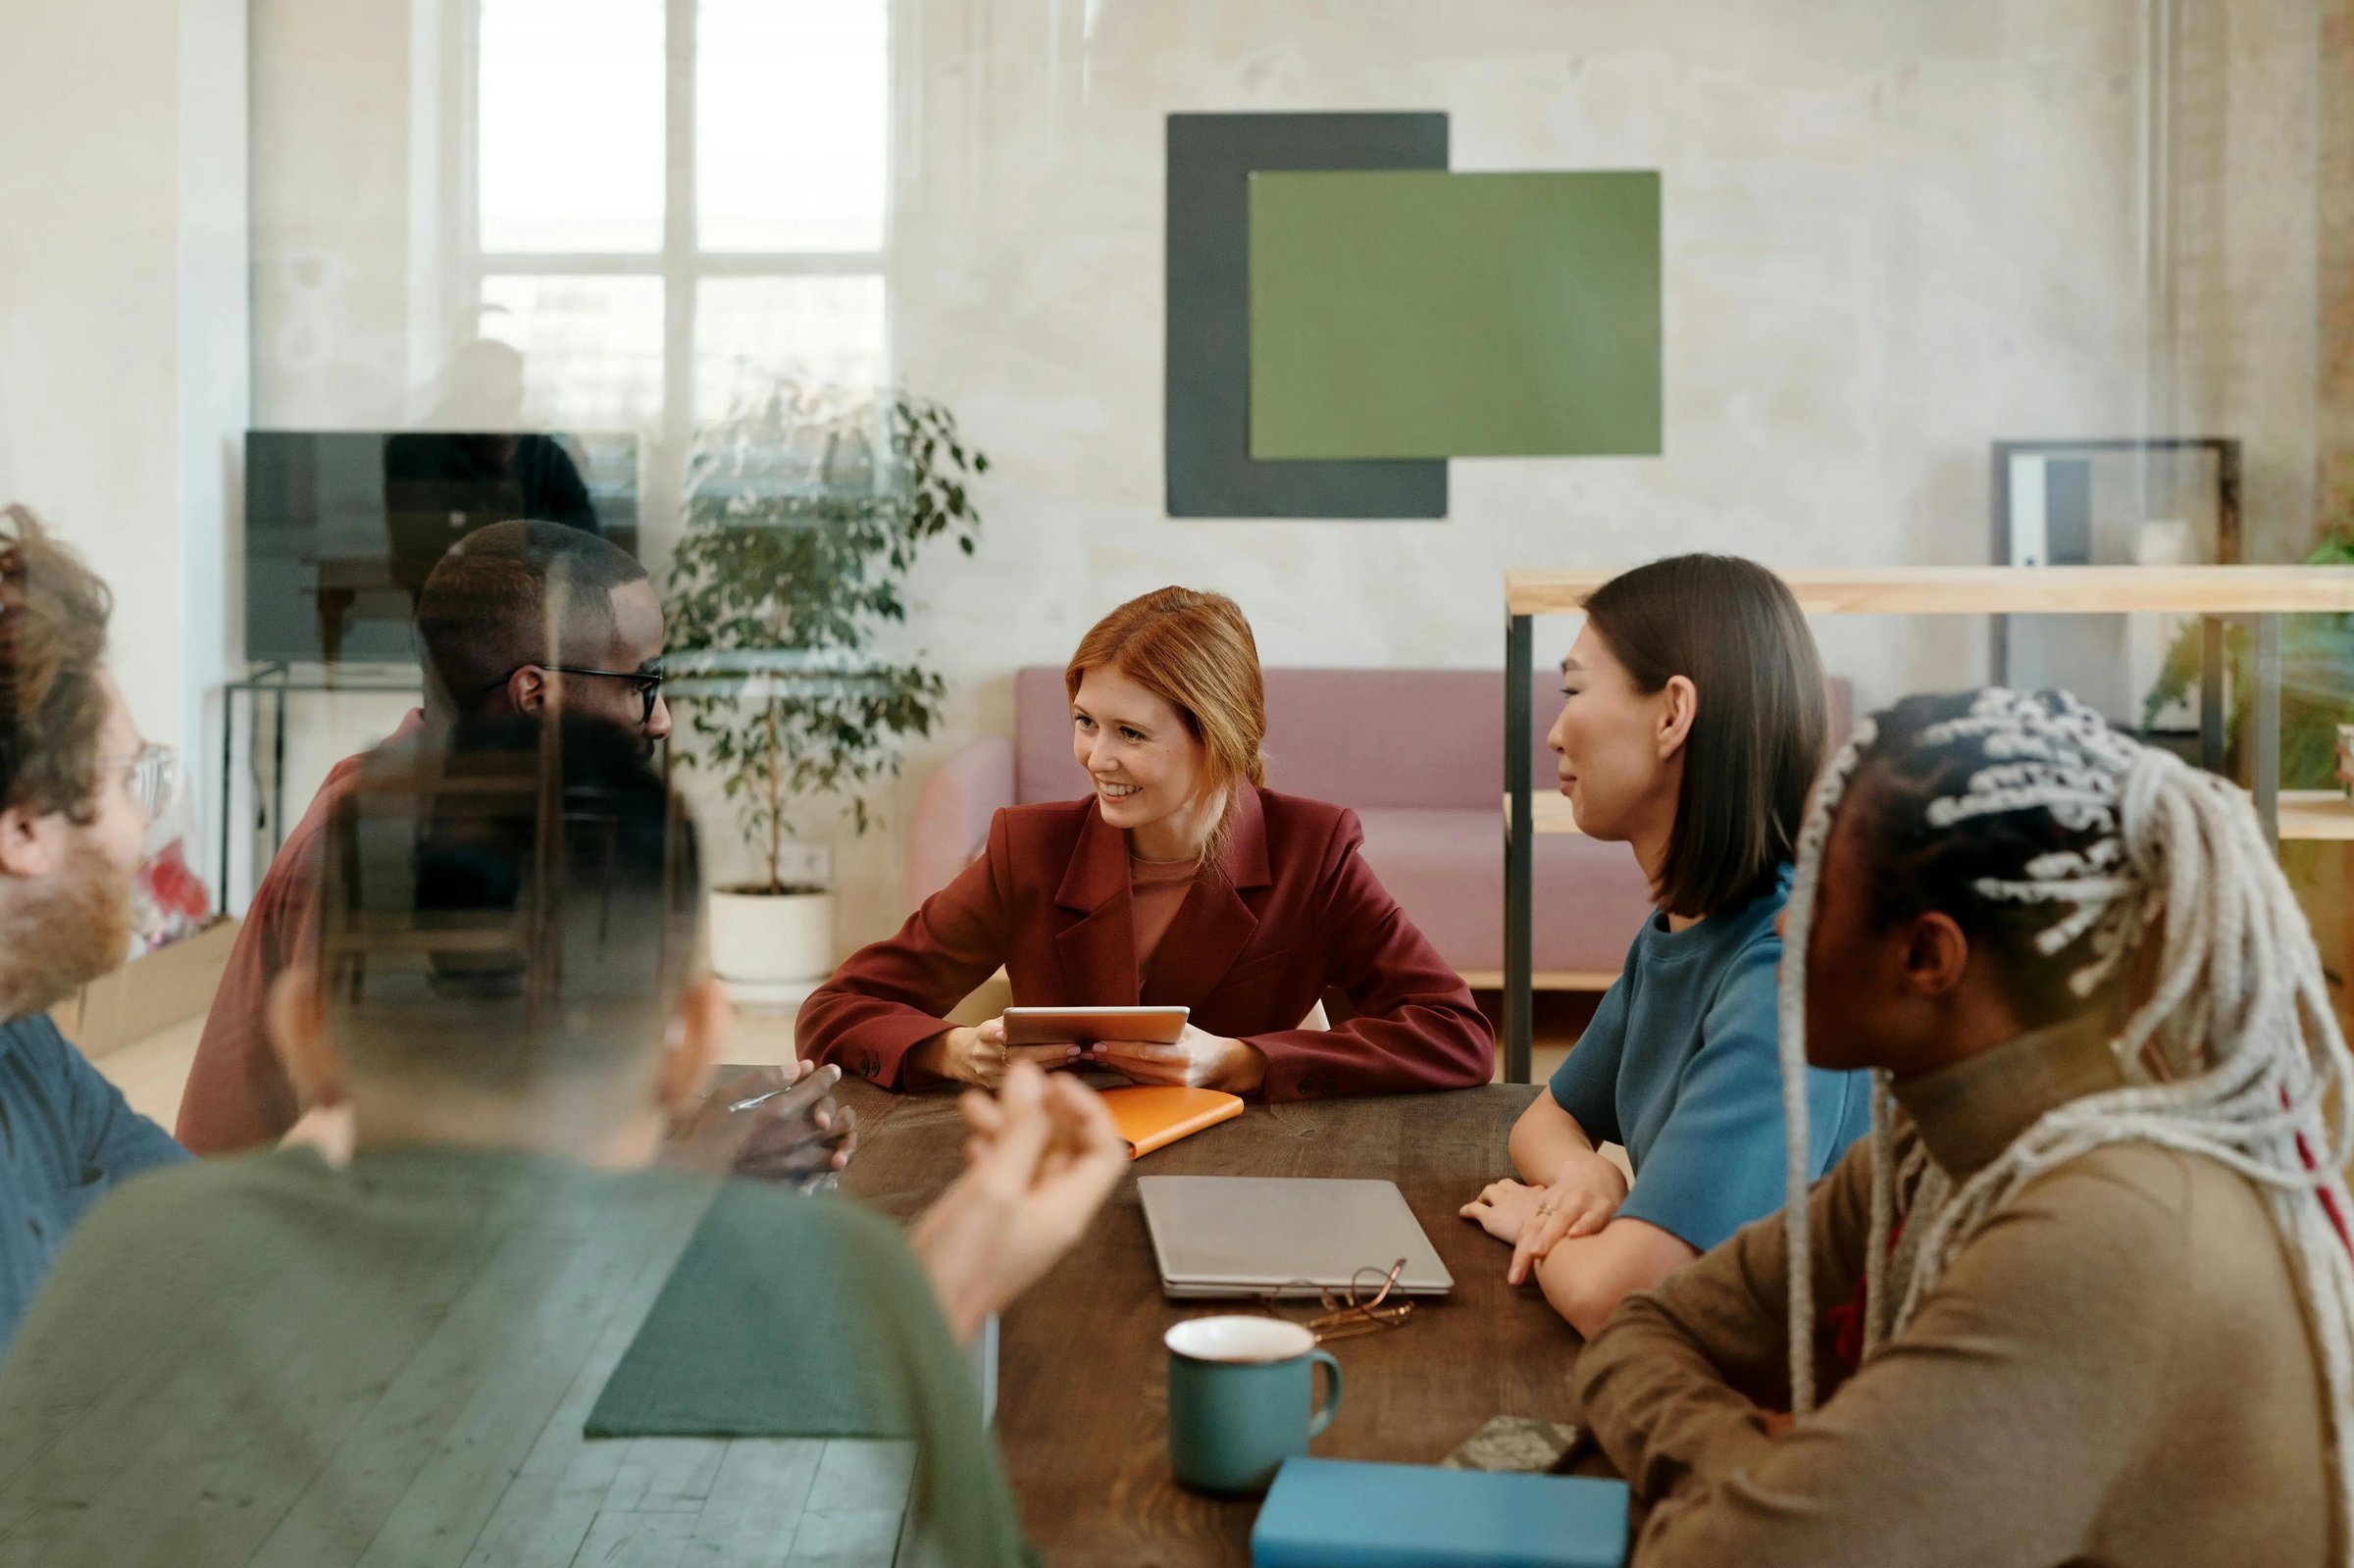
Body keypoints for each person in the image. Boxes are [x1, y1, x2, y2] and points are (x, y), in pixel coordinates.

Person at [0, 716, 1126, 1566]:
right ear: (691, 1038)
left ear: (306, 1030)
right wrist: (930, 1304)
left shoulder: (131, 1253)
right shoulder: (835, 1286)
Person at [1574, 687, 2352, 1565]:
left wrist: (1758, 1498)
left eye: (1818, 890)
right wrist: (1754, 1469)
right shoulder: (1928, 1150)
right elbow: (1639, 1335)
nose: (1785, 922)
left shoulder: (2111, 1230)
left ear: (1926, 957)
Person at [797, 586, 1494, 1098]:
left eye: (1130, 733)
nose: (1096, 756)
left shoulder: (1313, 852)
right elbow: (833, 1011)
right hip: (1062, 1177)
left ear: (1218, 740)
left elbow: (1457, 1035)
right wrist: (954, 1052)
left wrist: (1238, 1061)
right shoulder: (1029, 850)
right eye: (1085, 721)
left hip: (1250, 1174)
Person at [1459, 555, 1870, 1334]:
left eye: (1575, 689)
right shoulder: (1677, 931)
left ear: (1672, 712)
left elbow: (1619, 1295)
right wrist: (1586, 1178)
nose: (1552, 730)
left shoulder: (1780, 967)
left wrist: (1538, 1226)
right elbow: (1542, 1120)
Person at [178, 519, 674, 1154]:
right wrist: (701, 1160)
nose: (661, 720)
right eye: (643, 685)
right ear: (536, 696)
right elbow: (392, 1170)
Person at [0, 507, 190, 1347]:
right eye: (129, 781)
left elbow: (191, 1230)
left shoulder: (25, 1040)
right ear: (25, 828)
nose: (141, 826)